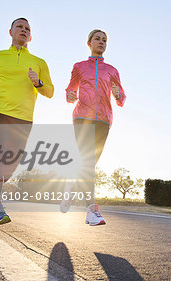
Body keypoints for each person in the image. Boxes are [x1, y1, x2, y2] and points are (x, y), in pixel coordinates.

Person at [0, 17, 54, 225]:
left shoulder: (39, 62)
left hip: (24, 117)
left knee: (10, 165)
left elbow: (50, 92)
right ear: (10, 32)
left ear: (31, 36)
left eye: (27, 28)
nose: (23, 30)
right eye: (19, 26)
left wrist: (38, 82)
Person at [64, 29, 126, 225]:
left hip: (104, 120)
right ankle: (91, 210)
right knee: (87, 161)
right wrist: (70, 96)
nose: (101, 42)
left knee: (89, 164)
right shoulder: (79, 67)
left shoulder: (112, 70)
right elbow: (69, 90)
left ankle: (72, 188)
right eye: (97, 39)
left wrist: (117, 94)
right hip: (82, 117)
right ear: (89, 43)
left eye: (104, 40)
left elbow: (122, 98)